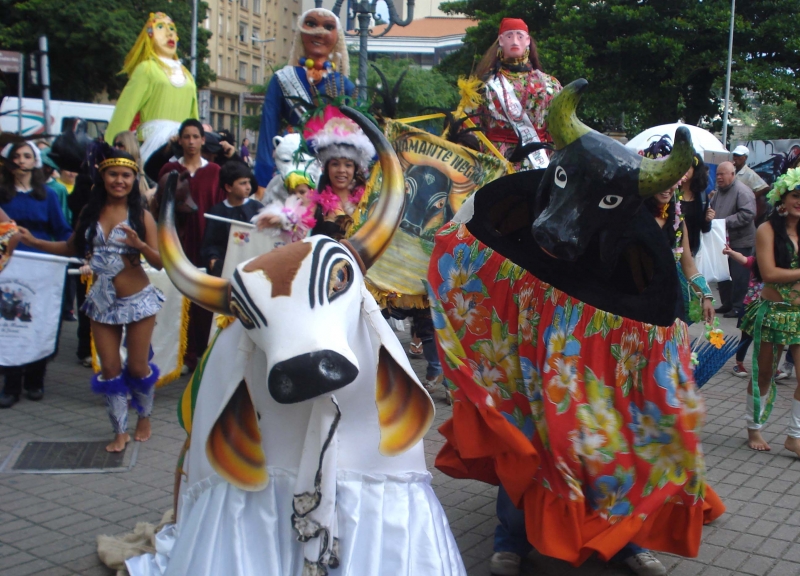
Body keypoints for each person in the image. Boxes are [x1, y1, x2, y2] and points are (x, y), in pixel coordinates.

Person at [17, 149, 164, 452]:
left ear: (134, 179)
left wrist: (139, 245)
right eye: (113, 174)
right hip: (101, 302)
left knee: (137, 367)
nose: (119, 181)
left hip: (138, 299)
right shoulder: (89, 212)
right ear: (102, 177)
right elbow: (71, 247)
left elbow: (161, 261)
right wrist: (34, 242)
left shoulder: (142, 215)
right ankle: (119, 431)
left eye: (126, 175)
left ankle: (145, 417)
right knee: (109, 368)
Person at [0, 142, 72, 408]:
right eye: (16, 156)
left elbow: (62, 229)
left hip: (42, 268)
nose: (21, 161)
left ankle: (35, 378)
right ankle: (11, 382)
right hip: (9, 267)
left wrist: (75, 247)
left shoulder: (48, 196)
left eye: (27, 156)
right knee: (10, 323)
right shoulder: (3, 195)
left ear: (36, 162)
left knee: (39, 320)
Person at [254, 8, 354, 195]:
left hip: (332, 176)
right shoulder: (282, 79)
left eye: (328, 26)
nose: (319, 31)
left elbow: (358, 135)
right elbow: (268, 131)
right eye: (311, 24)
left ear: (337, 36)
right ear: (300, 31)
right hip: (290, 169)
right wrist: (262, 179)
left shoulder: (344, 85)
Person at [739, 167, 800, 454]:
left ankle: (794, 437)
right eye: (796, 196)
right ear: (782, 200)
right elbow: (769, 273)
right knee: (764, 374)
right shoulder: (767, 230)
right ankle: (754, 429)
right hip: (773, 312)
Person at [158, 119, 222, 368]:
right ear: (180, 140)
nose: (192, 142)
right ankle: (183, 353)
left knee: (205, 297)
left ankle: (205, 354)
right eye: (187, 137)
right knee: (180, 295)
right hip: (179, 240)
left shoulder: (214, 171)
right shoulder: (169, 169)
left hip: (207, 241)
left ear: (203, 140)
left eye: (196, 136)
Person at [463, 18, 561, 172]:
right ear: (501, 41)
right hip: (496, 162)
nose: (515, 41)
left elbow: (557, 126)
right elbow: (470, 127)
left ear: (528, 41)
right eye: (509, 36)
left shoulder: (550, 84)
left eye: (520, 36)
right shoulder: (483, 85)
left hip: (538, 161)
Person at [104, 12, 198, 168]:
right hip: (153, 143)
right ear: (149, 35)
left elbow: (193, 118)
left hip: (181, 144)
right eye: (160, 27)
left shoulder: (186, 74)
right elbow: (125, 110)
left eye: (172, 29)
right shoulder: (147, 69)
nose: (169, 33)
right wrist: (109, 148)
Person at [302, 106, 374, 241]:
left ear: (355, 169)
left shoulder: (367, 199)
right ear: (326, 167)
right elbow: (295, 224)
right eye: (335, 164)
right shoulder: (313, 201)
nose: (341, 170)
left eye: (348, 165)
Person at [200, 161, 263, 277]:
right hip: (225, 271)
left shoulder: (257, 208)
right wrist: (214, 261)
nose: (248, 187)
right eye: (242, 183)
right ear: (228, 187)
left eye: (249, 182)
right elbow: (210, 243)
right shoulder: (217, 212)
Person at [711, 161, 757, 318]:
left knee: (739, 276)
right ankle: (727, 303)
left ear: (732, 174)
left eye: (722, 174)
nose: (718, 177)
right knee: (723, 274)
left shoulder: (742, 191)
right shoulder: (719, 192)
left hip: (740, 241)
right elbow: (711, 209)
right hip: (723, 240)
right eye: (717, 174)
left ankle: (738, 306)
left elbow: (748, 214)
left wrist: (724, 222)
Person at [727, 247, 762, 377]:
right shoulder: (755, 263)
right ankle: (739, 364)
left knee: (767, 340)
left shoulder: (779, 266)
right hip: (750, 306)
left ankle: (769, 367)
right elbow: (743, 259)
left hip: (769, 308)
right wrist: (731, 252)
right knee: (746, 337)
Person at [679, 153, 713, 256]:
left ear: (695, 170)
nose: (684, 169)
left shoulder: (701, 196)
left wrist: (707, 220)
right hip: (672, 251)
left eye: (688, 166)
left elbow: (704, 229)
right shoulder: (670, 192)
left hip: (693, 252)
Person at [113, 130, 157, 201]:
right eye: (114, 145)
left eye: (120, 145)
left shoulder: (142, 167)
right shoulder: (111, 167)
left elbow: (158, 187)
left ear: (130, 146)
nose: (116, 148)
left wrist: (149, 193)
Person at [732, 145, 770, 221]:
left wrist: (750, 197)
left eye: (738, 155)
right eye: (734, 155)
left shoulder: (750, 173)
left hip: (741, 208)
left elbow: (765, 187)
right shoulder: (732, 170)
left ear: (744, 158)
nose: (735, 157)